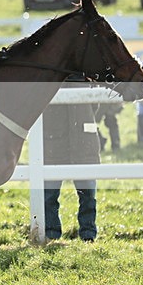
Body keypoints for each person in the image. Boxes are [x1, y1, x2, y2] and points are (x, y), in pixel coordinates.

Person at [42, 95, 101, 242]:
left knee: (87, 194)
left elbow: (96, 103)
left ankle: (87, 235)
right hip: (58, 143)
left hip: (79, 143)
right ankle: (52, 234)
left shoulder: (85, 81)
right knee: (49, 194)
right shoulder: (51, 83)